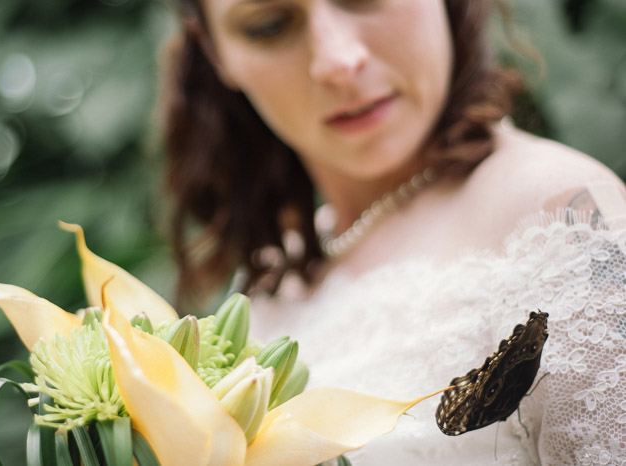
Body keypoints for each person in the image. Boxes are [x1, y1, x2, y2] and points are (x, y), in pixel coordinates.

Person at [160, 0, 626, 464]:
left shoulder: (557, 216)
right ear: (217, 52)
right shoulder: (267, 280)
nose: (338, 61)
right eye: (270, 25)